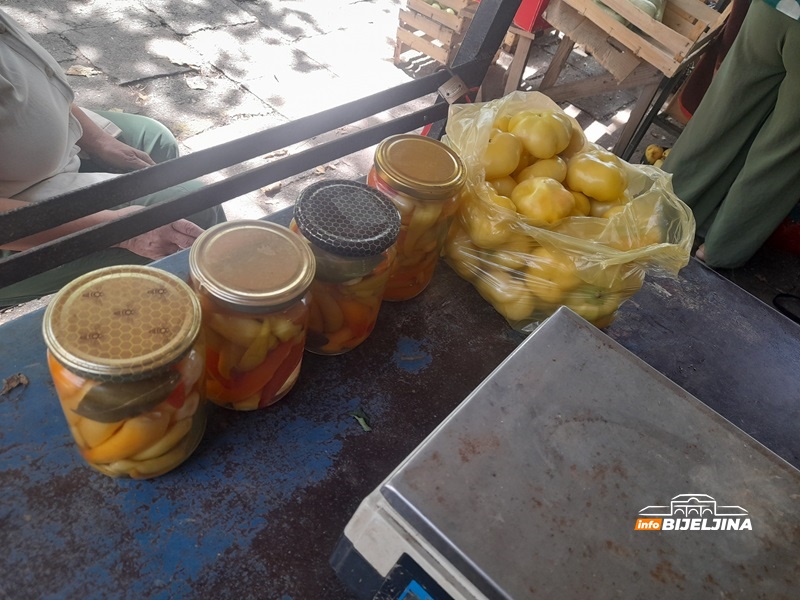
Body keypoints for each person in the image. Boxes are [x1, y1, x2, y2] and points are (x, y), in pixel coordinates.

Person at [0, 8, 226, 307]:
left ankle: (159, 289)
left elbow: (41, 79)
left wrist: (98, 139)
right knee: (192, 206)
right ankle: (208, 308)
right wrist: (118, 230)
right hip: (15, 212)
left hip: (38, 159)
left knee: (155, 141)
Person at [662, 0, 800, 268]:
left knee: (721, 113)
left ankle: (663, 212)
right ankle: (720, 249)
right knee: (784, 146)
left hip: (771, 9)